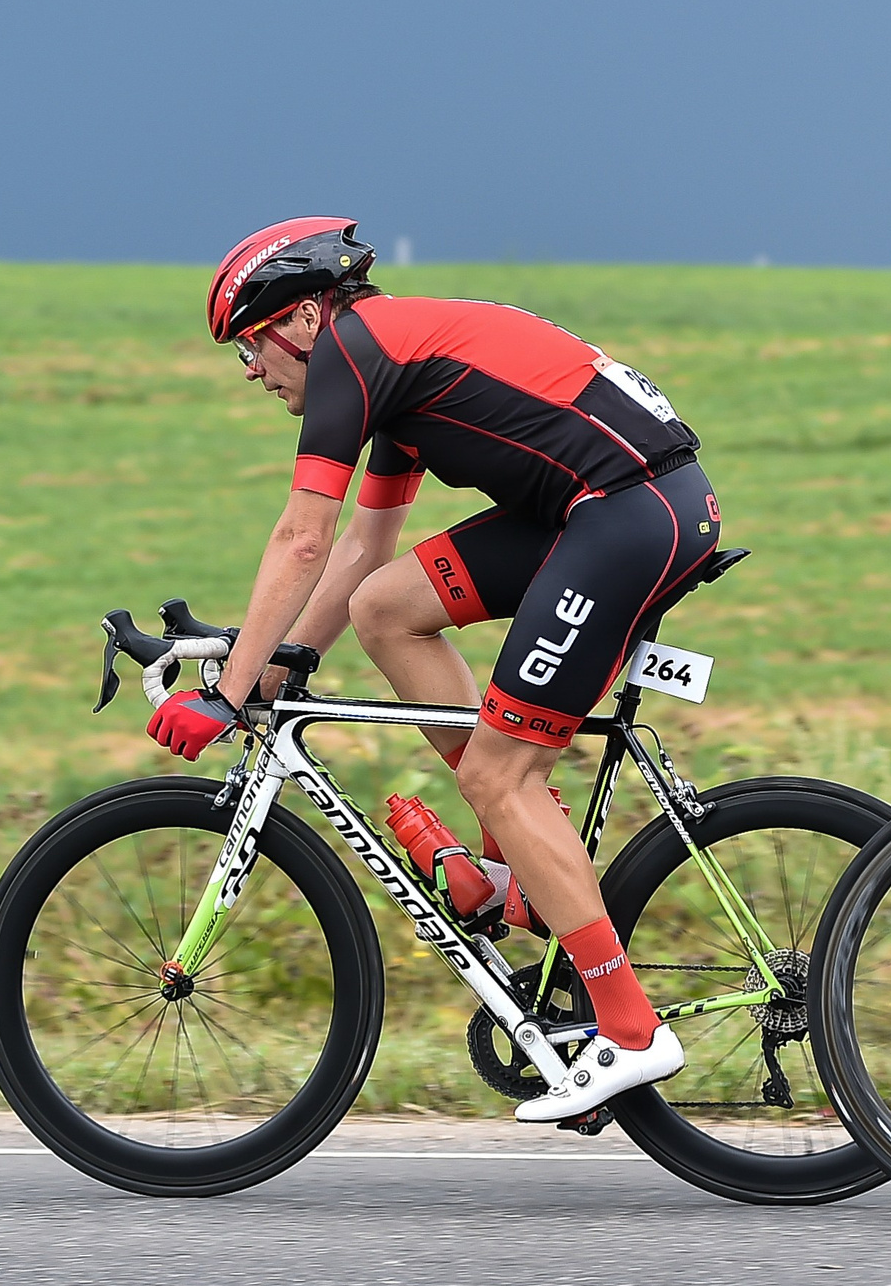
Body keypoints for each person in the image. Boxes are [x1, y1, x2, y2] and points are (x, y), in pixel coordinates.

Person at [152, 217, 720, 1123]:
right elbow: (363, 556)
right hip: (614, 505)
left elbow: (304, 536)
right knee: (389, 607)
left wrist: (224, 695)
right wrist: (278, 665)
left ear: (302, 319)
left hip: (629, 513)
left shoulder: (350, 354)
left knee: (501, 771)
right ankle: (521, 868)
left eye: (250, 345)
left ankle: (631, 1027)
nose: (251, 370)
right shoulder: (391, 366)